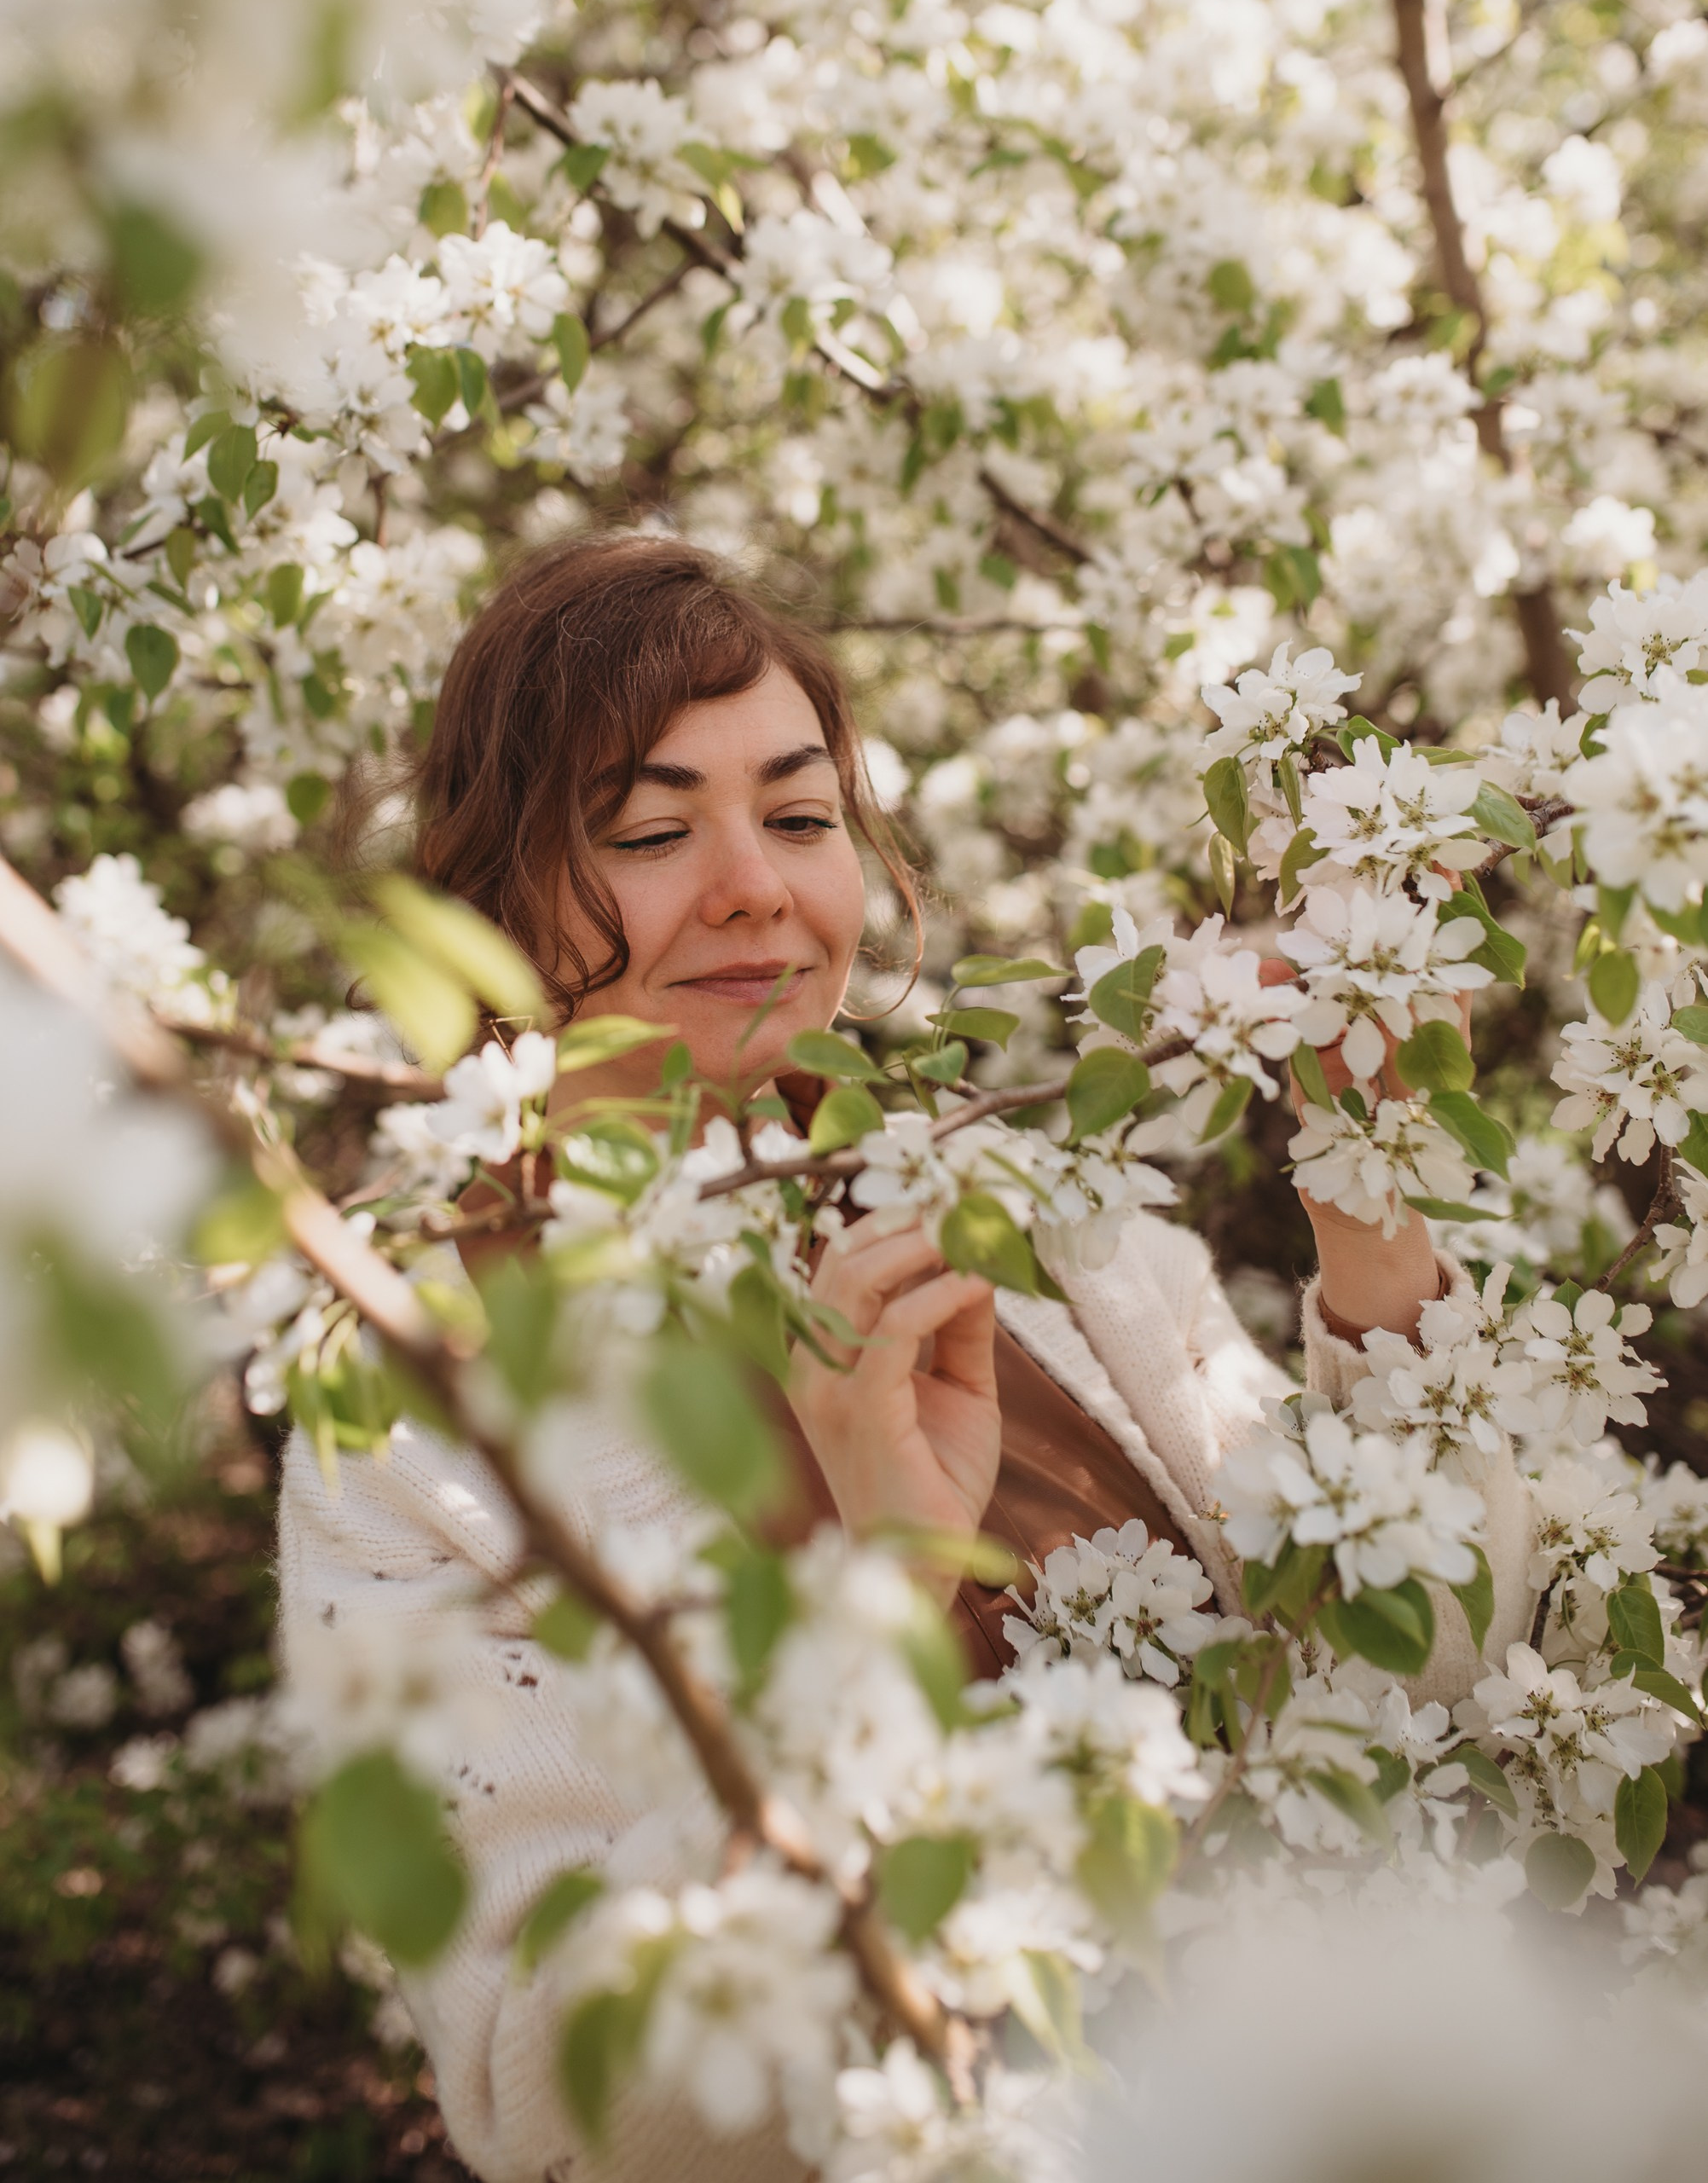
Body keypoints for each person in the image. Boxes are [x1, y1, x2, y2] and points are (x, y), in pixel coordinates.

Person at [277, 534, 1536, 2183]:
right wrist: (877, 1604)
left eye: (803, 818)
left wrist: (1372, 1216)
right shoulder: (408, 1423)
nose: (756, 886)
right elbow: (561, 2106)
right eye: (650, 832)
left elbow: (1431, 1676)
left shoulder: (1037, 1220)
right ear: (491, 902)